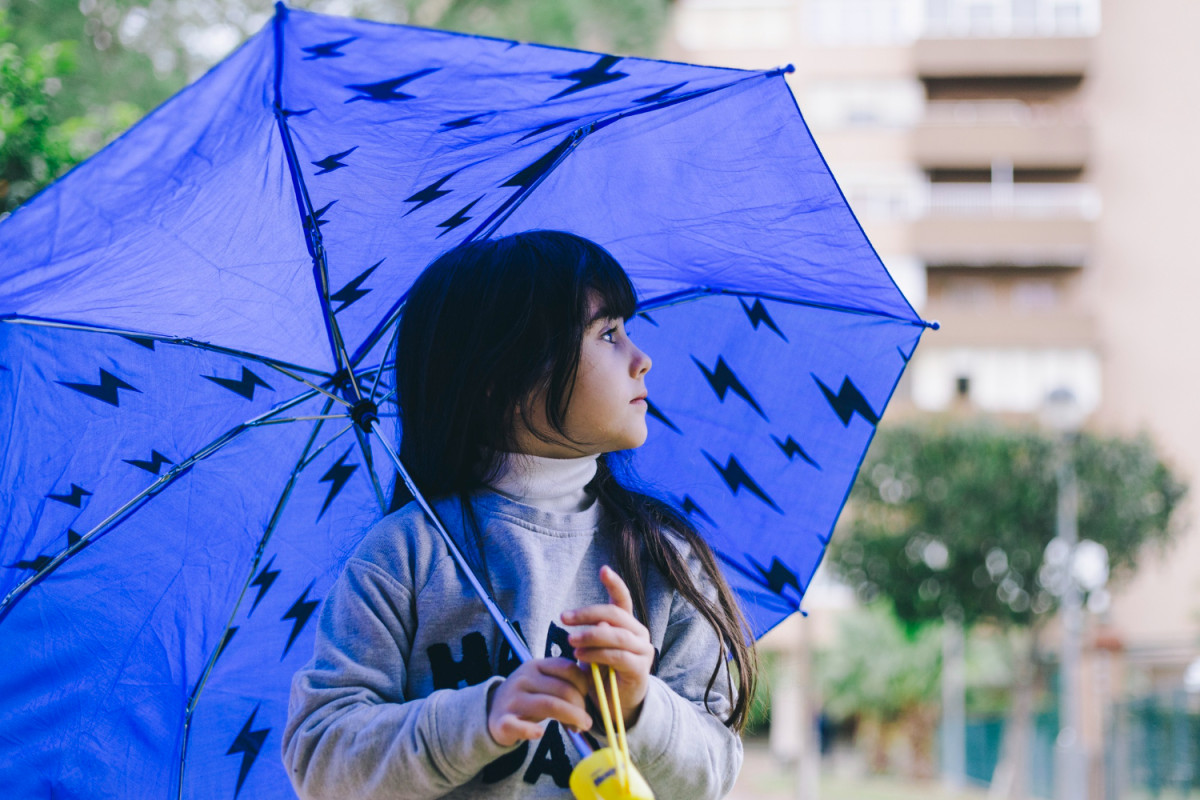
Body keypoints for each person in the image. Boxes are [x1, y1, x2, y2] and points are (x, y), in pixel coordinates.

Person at [282, 230, 757, 799]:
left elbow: (713, 774)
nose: (641, 359)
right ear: (500, 378)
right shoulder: (404, 556)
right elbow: (320, 756)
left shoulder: (662, 559)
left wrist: (638, 706)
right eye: (608, 334)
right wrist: (479, 717)